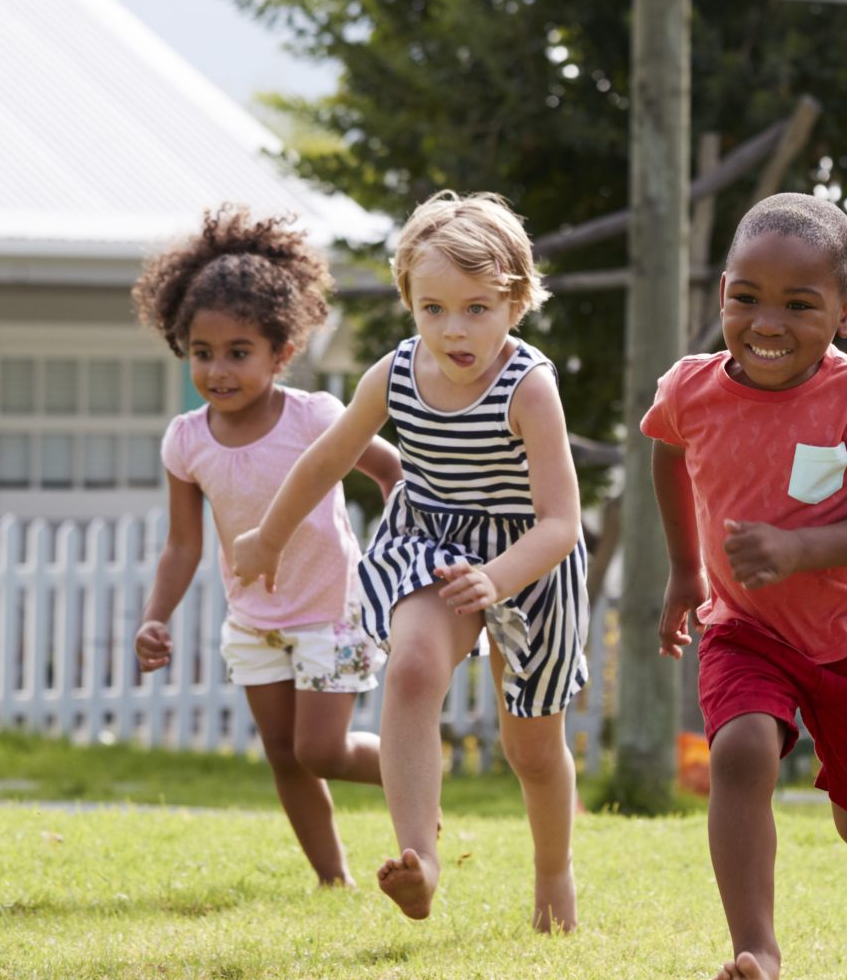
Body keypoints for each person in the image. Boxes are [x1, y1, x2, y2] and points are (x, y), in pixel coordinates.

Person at [230, 192, 587, 932]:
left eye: (477, 308)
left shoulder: (529, 386)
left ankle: (553, 876)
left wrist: (500, 578)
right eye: (433, 309)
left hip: (528, 558)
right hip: (431, 541)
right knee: (415, 668)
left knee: (533, 750)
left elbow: (561, 522)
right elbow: (326, 458)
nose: (453, 329)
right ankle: (417, 861)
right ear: (410, 304)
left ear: (516, 302)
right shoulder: (394, 374)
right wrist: (269, 535)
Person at [647, 192, 847, 980]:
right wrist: (685, 571)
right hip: (747, 629)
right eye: (746, 298)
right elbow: (667, 451)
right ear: (721, 293)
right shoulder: (690, 389)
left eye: (799, 304)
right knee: (737, 755)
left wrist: (799, 548)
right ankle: (755, 952)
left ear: (846, 312)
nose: (767, 322)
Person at [132, 204, 404, 886]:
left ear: (282, 353)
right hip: (253, 619)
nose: (217, 370)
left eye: (238, 353)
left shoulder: (315, 417)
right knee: (284, 756)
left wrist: (406, 550)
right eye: (202, 353)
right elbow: (182, 546)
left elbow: (392, 471)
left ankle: (414, 776)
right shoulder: (186, 440)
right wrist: (154, 617)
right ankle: (331, 880)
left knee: (321, 749)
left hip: (331, 611)